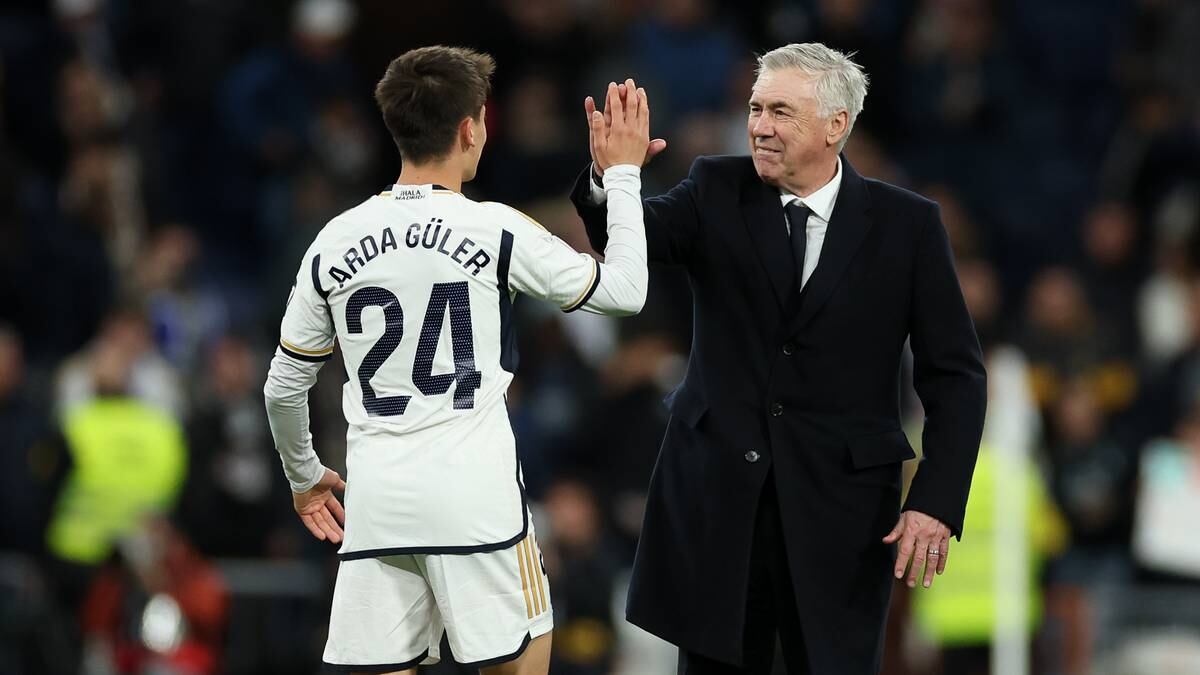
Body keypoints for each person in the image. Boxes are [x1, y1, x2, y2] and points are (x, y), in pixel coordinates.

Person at [572, 43, 987, 674]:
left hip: (842, 515)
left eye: (781, 112)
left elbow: (954, 375)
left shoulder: (909, 226)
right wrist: (613, 180)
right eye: (755, 108)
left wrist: (935, 498)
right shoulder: (714, 188)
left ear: (836, 126)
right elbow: (630, 240)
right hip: (720, 506)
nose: (760, 126)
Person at [263, 46, 652, 674]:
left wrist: (304, 477)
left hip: (378, 505)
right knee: (526, 652)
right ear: (471, 128)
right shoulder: (494, 228)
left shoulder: (332, 239)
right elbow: (625, 292)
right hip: (478, 501)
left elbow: (283, 389)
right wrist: (625, 176)